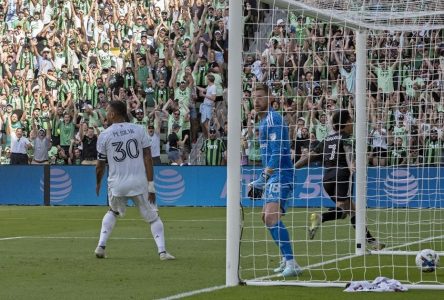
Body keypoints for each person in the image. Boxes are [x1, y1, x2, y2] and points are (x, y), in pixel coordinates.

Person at [94, 101, 174, 261]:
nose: (107, 114)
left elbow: (100, 165)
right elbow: (147, 157)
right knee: (153, 217)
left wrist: (98, 182)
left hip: (117, 183)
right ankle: (162, 252)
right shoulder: (139, 130)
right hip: (139, 182)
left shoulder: (104, 135)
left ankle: (101, 246)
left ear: (115, 114)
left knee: (113, 211)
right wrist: (151, 184)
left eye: (109, 111)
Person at [295, 110, 385, 250]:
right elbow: (348, 150)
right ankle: (320, 217)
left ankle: (372, 242)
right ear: (346, 123)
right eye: (350, 120)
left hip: (327, 178)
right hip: (342, 174)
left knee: (352, 211)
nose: (352, 123)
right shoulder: (347, 137)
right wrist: (351, 165)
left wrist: (293, 167)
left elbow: (309, 157)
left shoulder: (326, 139)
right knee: (343, 210)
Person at [248, 84, 302, 277]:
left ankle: (291, 262)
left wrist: (263, 178)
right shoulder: (262, 122)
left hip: (282, 174)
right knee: (266, 217)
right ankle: (286, 259)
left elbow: (278, 152)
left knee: (271, 217)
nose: (256, 100)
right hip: (273, 176)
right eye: (254, 97)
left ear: (270, 98)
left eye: (260, 96)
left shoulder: (274, 119)